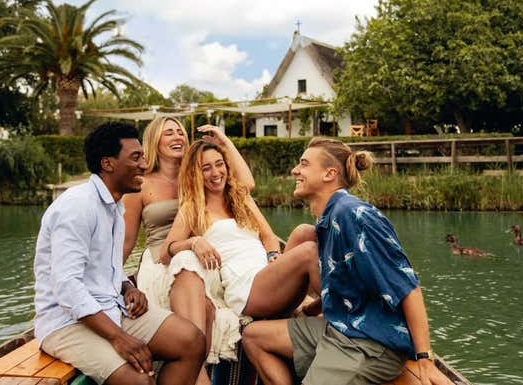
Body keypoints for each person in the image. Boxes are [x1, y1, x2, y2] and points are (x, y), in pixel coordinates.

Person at [241, 137, 453, 385]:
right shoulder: (328, 218)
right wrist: (311, 309)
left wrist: (425, 359)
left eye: (304, 164)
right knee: (253, 336)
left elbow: (408, 287)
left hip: (368, 343)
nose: (295, 170)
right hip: (339, 327)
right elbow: (346, 281)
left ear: (329, 174)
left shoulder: (354, 214)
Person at [33, 122, 206, 385]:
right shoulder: (78, 206)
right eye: (135, 158)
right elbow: (67, 286)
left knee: (191, 341)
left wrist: (127, 287)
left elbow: (104, 268)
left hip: (111, 308)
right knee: (139, 381)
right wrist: (118, 337)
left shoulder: (114, 207)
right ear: (108, 164)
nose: (144, 165)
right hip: (66, 323)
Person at [122, 118, 255, 378]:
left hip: (202, 259)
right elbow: (126, 242)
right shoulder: (140, 184)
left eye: (180, 132)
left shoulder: (198, 175)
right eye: (168, 133)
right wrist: (113, 280)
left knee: (202, 300)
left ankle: (193, 369)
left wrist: (225, 142)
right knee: (188, 268)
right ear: (154, 141)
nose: (177, 137)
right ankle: (197, 370)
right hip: (161, 262)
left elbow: (246, 185)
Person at [162, 140, 322, 323]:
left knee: (306, 232)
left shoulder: (241, 197)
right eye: (206, 168)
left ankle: (314, 308)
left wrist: (273, 255)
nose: (216, 173)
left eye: (219, 164)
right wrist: (194, 242)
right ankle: (340, 311)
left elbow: (268, 236)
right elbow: (165, 253)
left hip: (267, 272)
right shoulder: (192, 208)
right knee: (309, 251)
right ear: (195, 174)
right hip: (246, 287)